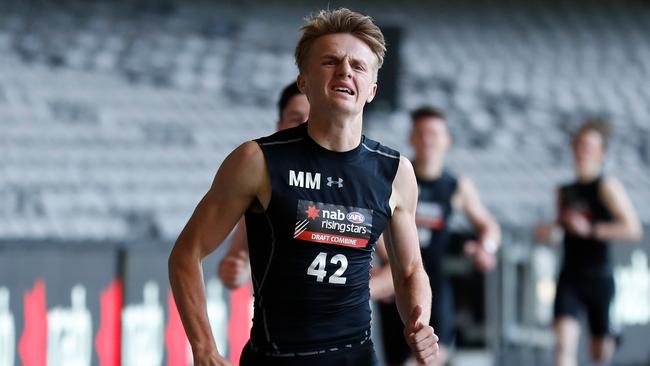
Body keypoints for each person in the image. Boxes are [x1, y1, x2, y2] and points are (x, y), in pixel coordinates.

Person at [169, 8, 438, 366]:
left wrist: (418, 322)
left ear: (372, 89)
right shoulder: (257, 161)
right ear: (304, 81)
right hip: (277, 357)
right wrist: (203, 348)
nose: (345, 70)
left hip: (356, 358)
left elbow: (408, 272)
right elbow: (186, 253)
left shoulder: (395, 171)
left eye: (358, 66)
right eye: (330, 61)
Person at [378, 106, 501, 366]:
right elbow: (375, 224)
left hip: (434, 282)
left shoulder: (455, 186)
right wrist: (387, 261)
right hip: (399, 279)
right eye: (421, 133)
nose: (427, 140)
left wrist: (486, 248)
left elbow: (488, 225)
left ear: (447, 140)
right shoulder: (397, 178)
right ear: (412, 138)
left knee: (433, 354)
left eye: (434, 134)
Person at [536, 119, 642, 366]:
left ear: (601, 154)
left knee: (599, 354)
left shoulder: (607, 187)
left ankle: (610, 335)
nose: (582, 152)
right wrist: (550, 233)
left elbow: (632, 229)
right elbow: (561, 232)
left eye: (589, 147)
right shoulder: (564, 191)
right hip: (570, 276)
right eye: (579, 146)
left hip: (599, 276)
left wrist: (591, 229)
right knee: (563, 346)